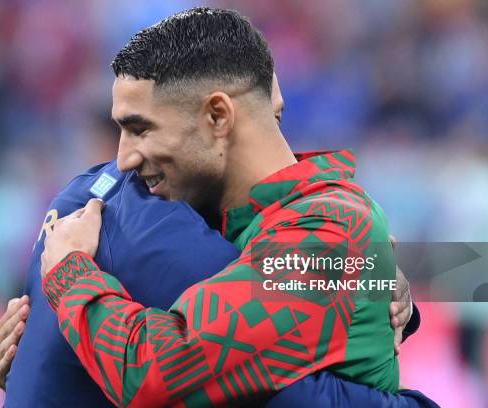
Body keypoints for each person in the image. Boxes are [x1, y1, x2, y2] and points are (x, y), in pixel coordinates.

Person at [39, 7, 435, 407]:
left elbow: (158, 373)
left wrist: (69, 275)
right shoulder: (225, 216)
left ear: (218, 116)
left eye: (140, 129)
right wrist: (43, 347)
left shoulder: (328, 230)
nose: (123, 158)